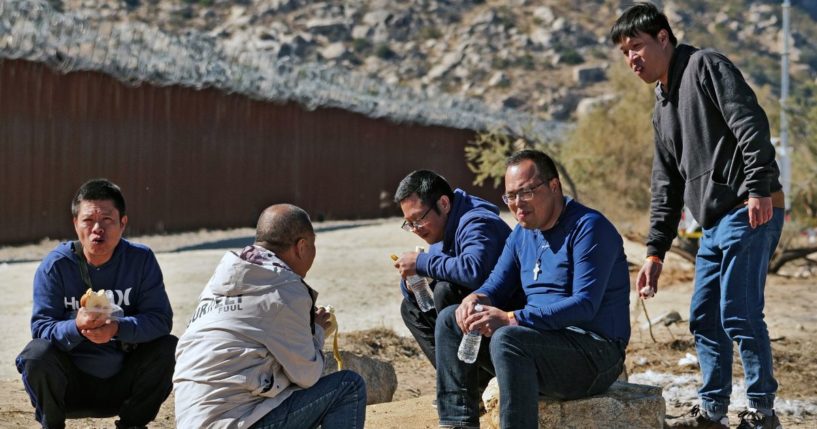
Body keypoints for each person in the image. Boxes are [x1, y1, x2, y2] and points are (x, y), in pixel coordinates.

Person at [611, 4, 786, 429]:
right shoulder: (661, 108)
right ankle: (711, 411)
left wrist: (759, 187)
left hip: (750, 207)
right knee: (705, 317)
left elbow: (750, 123)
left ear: (664, 38)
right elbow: (666, 187)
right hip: (711, 225)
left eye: (637, 46)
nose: (632, 58)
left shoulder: (706, 66)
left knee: (739, 312)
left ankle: (762, 411)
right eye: (624, 52)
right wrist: (654, 253)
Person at [435, 150, 630, 429]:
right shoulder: (522, 233)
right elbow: (496, 285)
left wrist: (512, 318)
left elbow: (584, 304)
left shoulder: (590, 228)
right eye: (510, 196)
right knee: (451, 320)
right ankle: (458, 423)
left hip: (593, 354)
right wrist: (476, 298)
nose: (517, 204)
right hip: (540, 342)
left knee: (508, 338)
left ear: (553, 186)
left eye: (526, 192)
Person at [173, 204, 366, 429]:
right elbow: (307, 375)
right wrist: (317, 332)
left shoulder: (220, 283)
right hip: (236, 421)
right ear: (302, 247)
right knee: (348, 386)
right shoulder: (284, 289)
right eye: (313, 245)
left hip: (194, 421)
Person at [15, 179, 177, 429]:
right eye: (88, 220)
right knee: (35, 355)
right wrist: (77, 327)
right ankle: (52, 424)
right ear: (75, 224)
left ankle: (134, 424)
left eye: (107, 220)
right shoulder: (56, 265)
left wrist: (117, 328)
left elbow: (160, 320)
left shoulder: (140, 260)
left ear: (123, 223)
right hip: (71, 386)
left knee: (169, 348)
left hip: (123, 383)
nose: (97, 229)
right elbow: (41, 328)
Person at [392, 170, 520, 370]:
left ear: (444, 203)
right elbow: (436, 270)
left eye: (418, 219)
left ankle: (466, 387)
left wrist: (423, 262)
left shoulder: (478, 222)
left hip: (506, 322)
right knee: (410, 308)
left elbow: (473, 270)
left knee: (445, 291)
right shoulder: (440, 231)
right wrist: (411, 283)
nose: (415, 229)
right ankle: (455, 382)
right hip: (472, 323)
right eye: (409, 224)